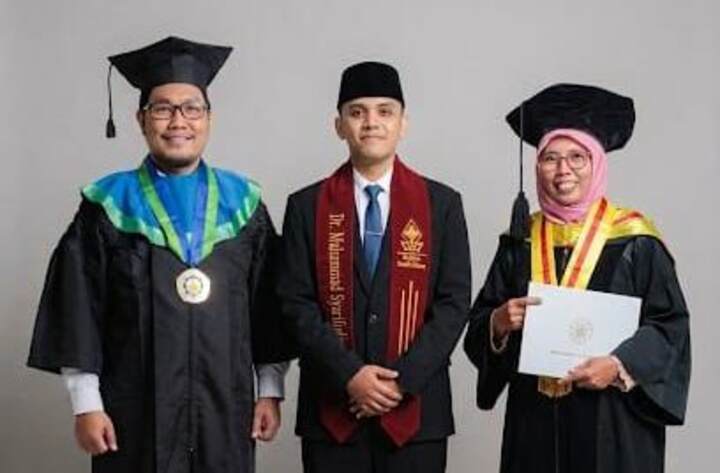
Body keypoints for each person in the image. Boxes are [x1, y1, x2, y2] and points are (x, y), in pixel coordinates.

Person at [27, 36, 292, 473]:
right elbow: (79, 307)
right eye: (163, 108)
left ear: (209, 119)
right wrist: (86, 403)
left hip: (225, 408)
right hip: (132, 410)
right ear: (141, 119)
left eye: (192, 108)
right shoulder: (108, 205)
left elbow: (267, 308)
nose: (178, 121)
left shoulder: (243, 204)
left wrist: (270, 390)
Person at [463, 83, 691, 473]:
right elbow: (480, 325)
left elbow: (670, 326)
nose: (562, 170)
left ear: (597, 163)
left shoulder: (636, 239)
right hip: (534, 423)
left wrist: (619, 365)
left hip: (612, 425)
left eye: (577, 157)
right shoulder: (520, 240)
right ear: (537, 166)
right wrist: (497, 324)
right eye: (550, 158)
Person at [278, 61, 471, 473]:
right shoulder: (306, 206)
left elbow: (454, 304)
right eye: (357, 112)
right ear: (339, 126)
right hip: (332, 412)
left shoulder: (442, 205)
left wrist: (400, 382)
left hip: (418, 415)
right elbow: (295, 303)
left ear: (403, 124)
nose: (371, 122)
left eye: (385, 111)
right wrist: (350, 374)